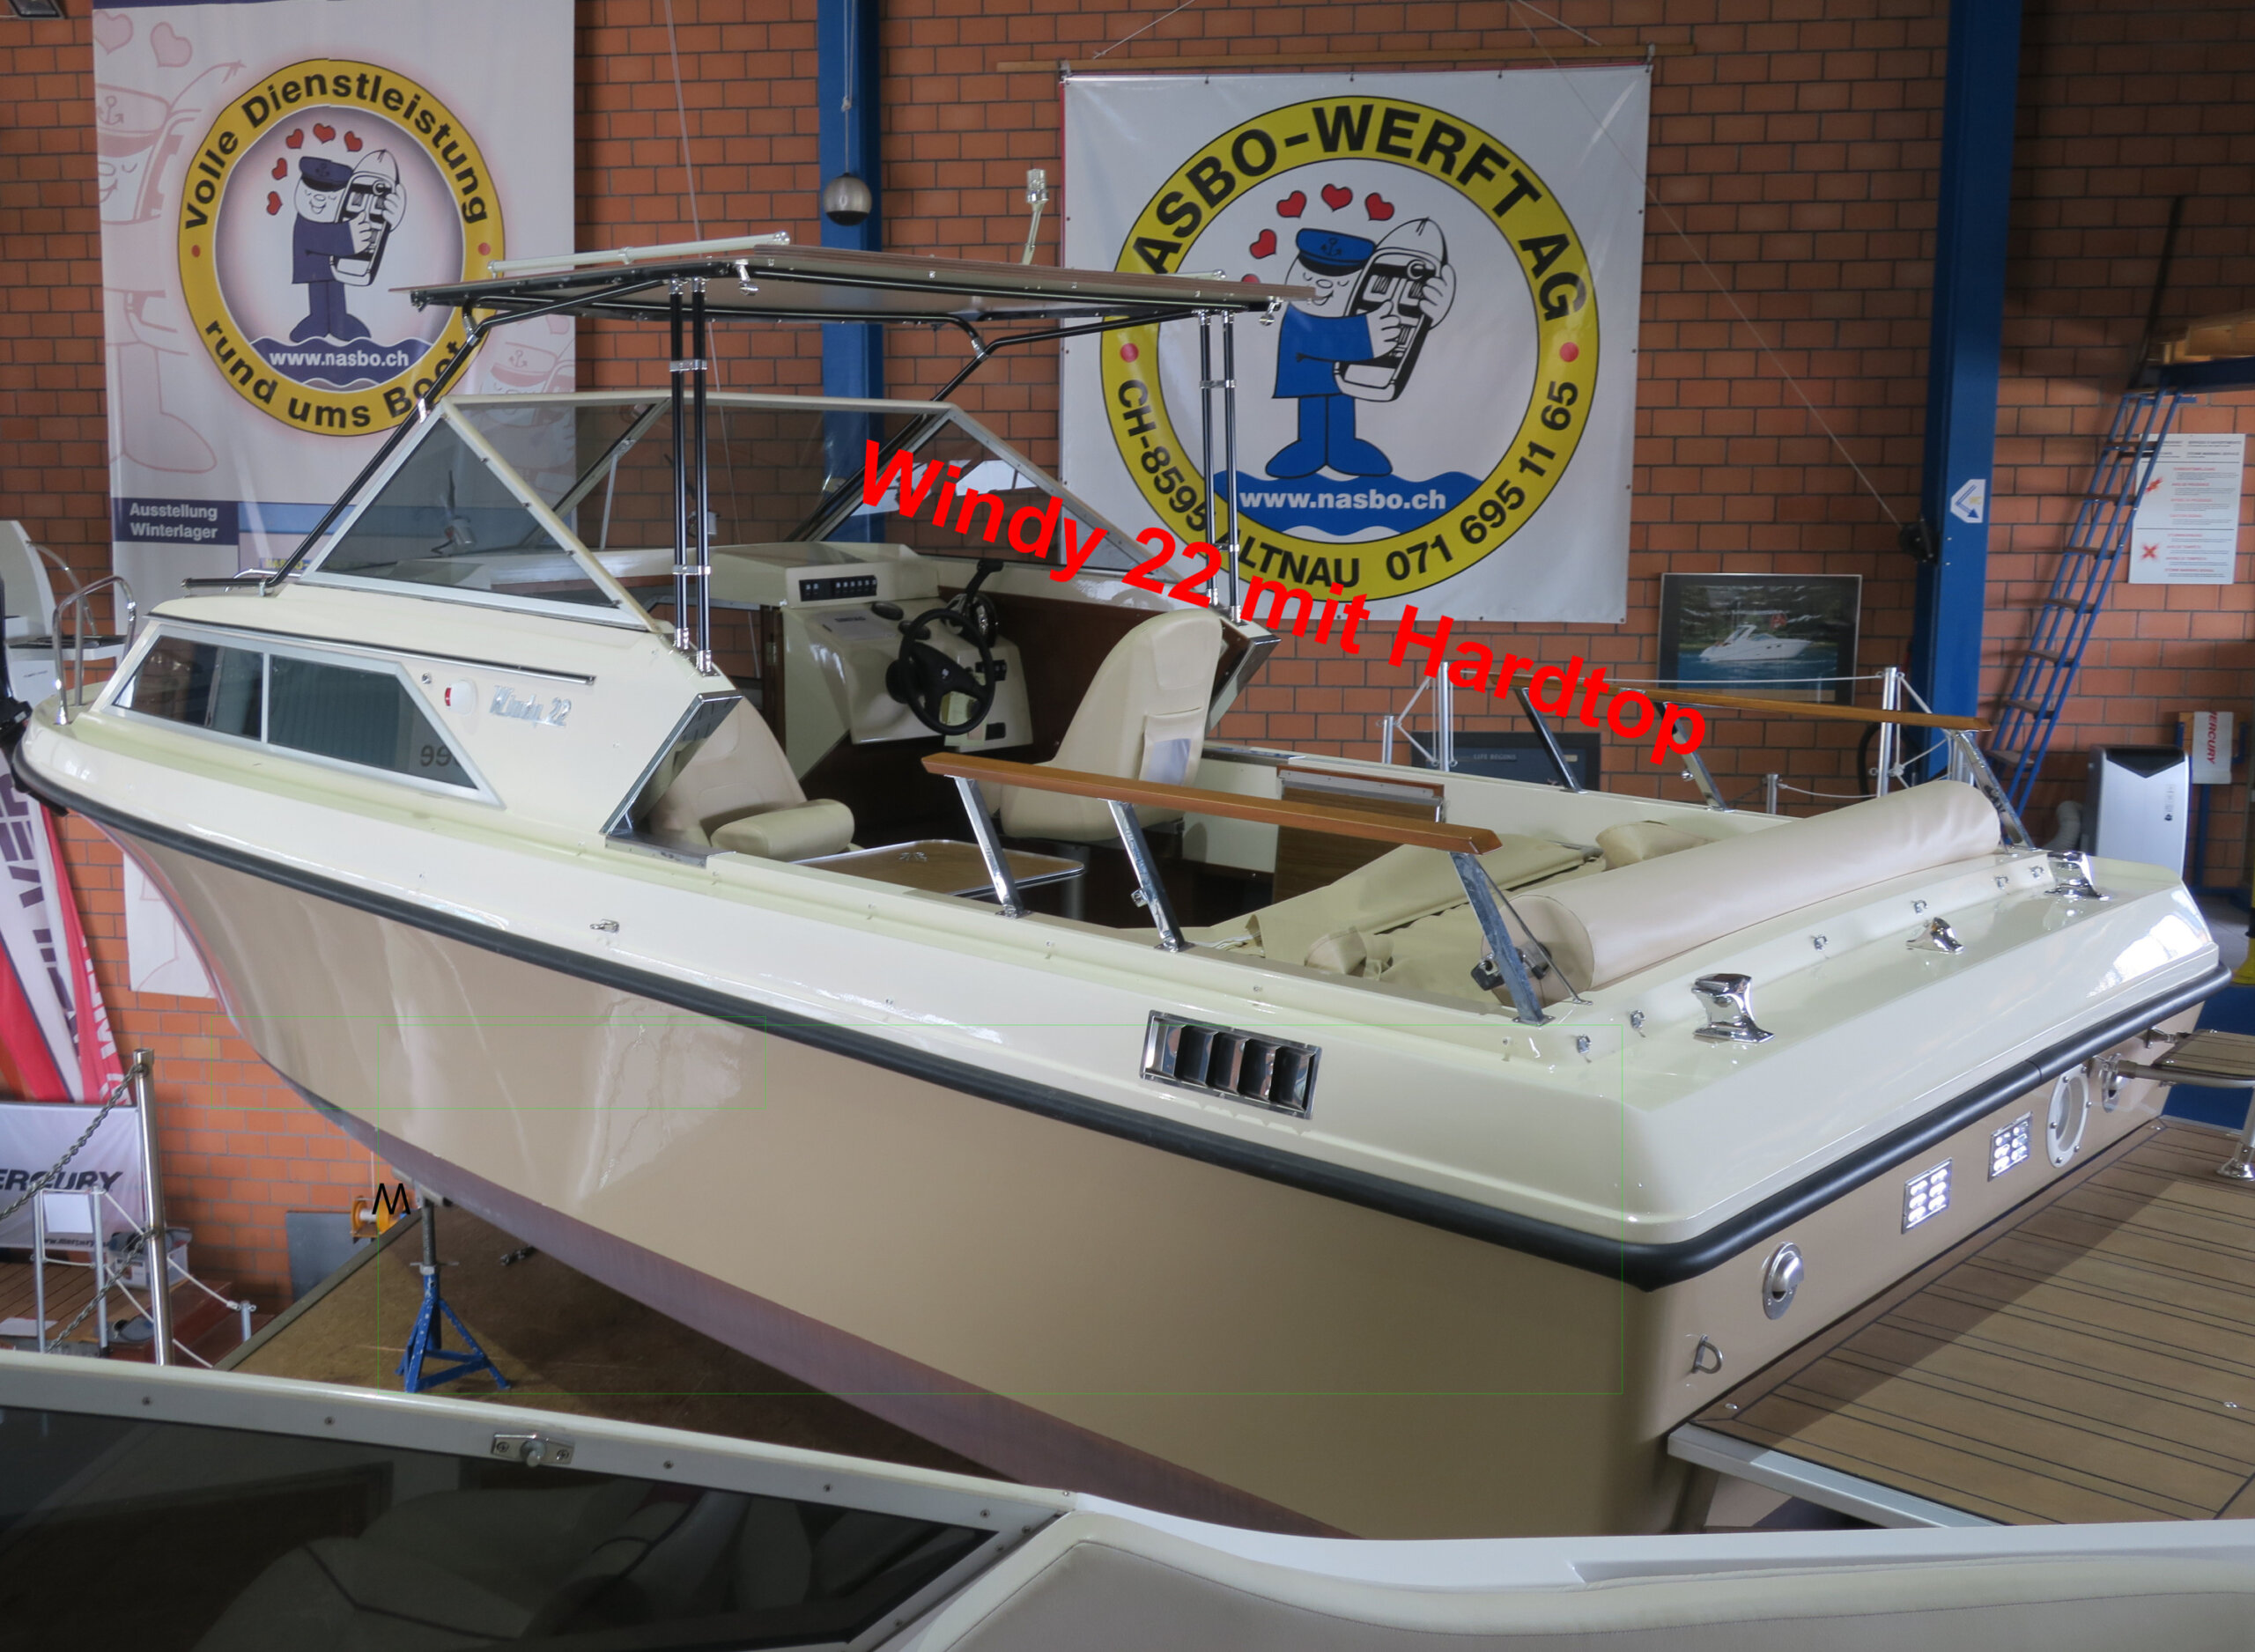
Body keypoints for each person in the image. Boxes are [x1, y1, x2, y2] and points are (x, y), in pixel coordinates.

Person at [290, 156, 367, 343]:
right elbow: (316, 238)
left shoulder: (338, 219)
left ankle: (338, 320)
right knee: (318, 293)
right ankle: (318, 321)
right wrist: (349, 237)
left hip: (332, 266)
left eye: (330, 196)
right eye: (309, 193)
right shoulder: (305, 221)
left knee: (335, 290)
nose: (318, 199)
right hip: (313, 266)